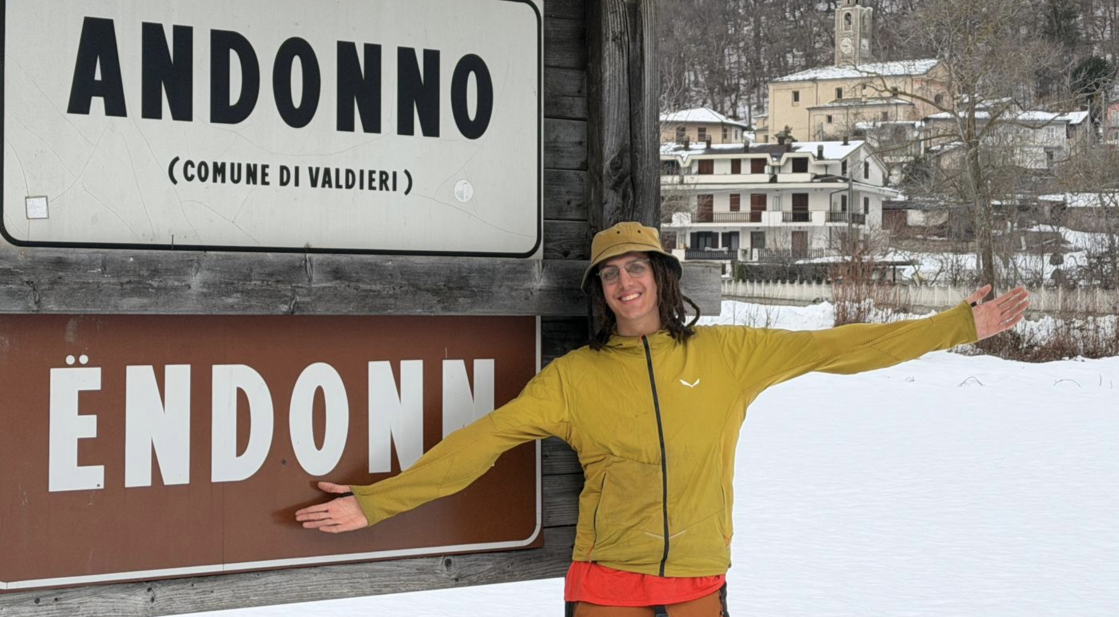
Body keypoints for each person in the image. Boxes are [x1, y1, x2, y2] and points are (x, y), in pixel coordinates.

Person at [296, 221, 1030, 616]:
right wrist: (376, 503)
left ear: (662, 276)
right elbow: (478, 444)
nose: (625, 283)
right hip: (607, 588)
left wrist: (955, 327)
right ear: (600, 292)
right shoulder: (574, 379)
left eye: (636, 268)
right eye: (610, 274)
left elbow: (839, 348)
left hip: (698, 588)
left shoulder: (733, 353)